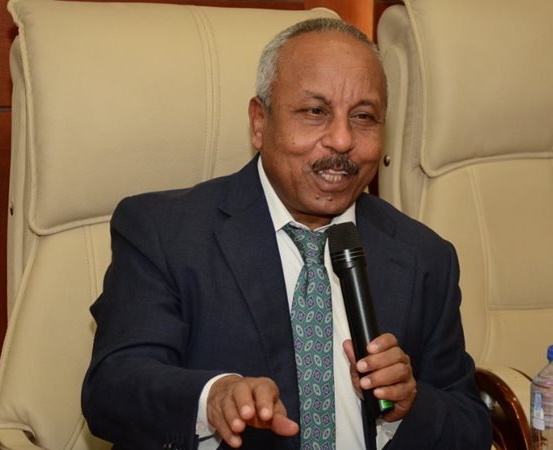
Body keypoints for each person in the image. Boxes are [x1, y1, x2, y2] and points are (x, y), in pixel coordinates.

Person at [81, 17, 491, 450]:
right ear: (259, 122)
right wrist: (212, 397)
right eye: (315, 112)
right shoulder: (165, 232)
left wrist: (410, 405)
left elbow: (470, 425)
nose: (342, 140)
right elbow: (112, 389)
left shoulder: (423, 255)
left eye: (363, 117)